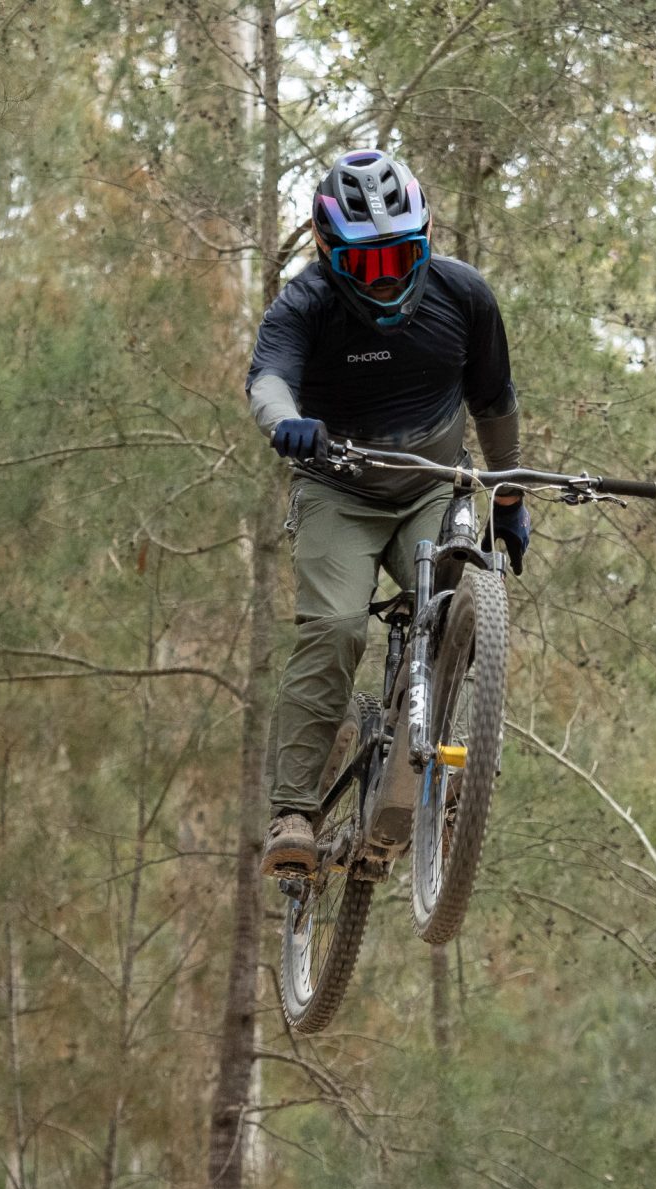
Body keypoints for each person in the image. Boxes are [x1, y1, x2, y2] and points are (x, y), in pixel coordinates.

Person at [246, 148, 530, 877]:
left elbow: (494, 404)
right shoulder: (303, 305)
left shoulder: (463, 296)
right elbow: (270, 378)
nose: (390, 277)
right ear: (329, 255)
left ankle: (443, 746)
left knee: (456, 588)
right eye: (368, 265)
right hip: (338, 491)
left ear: (426, 238)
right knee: (337, 625)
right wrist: (286, 422)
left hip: (430, 484)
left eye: (402, 257)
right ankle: (295, 810)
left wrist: (509, 497)